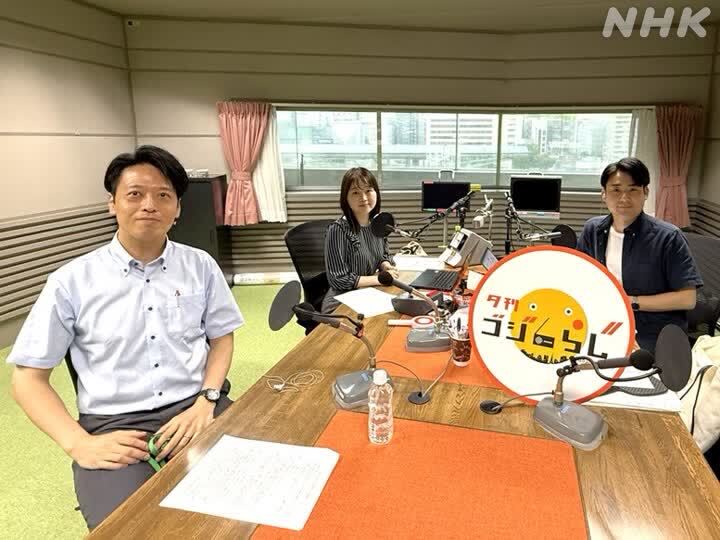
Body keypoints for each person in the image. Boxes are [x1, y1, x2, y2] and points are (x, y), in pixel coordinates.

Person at [8, 146, 244, 529]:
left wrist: (207, 400)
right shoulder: (71, 281)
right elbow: (27, 380)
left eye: (163, 195)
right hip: (114, 427)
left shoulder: (200, 265)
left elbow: (221, 338)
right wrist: (79, 443)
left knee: (252, 503)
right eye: (135, 194)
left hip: (197, 407)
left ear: (178, 208)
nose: (149, 205)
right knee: (128, 527)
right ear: (112, 204)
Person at [576, 157, 702, 352]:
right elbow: (580, 279)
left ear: (646, 193)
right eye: (616, 190)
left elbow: (687, 298)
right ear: (603, 194)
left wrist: (630, 302)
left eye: (633, 190)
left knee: (628, 367)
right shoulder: (592, 230)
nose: (624, 198)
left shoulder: (668, 237)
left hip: (652, 330)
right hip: (603, 323)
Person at [322, 167, 399, 312]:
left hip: (369, 292)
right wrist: (378, 279)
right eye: (355, 192)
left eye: (368, 190)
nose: (363, 198)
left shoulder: (377, 224)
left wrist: (385, 265)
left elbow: (383, 255)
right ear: (345, 198)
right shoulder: (338, 230)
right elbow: (338, 280)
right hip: (341, 302)